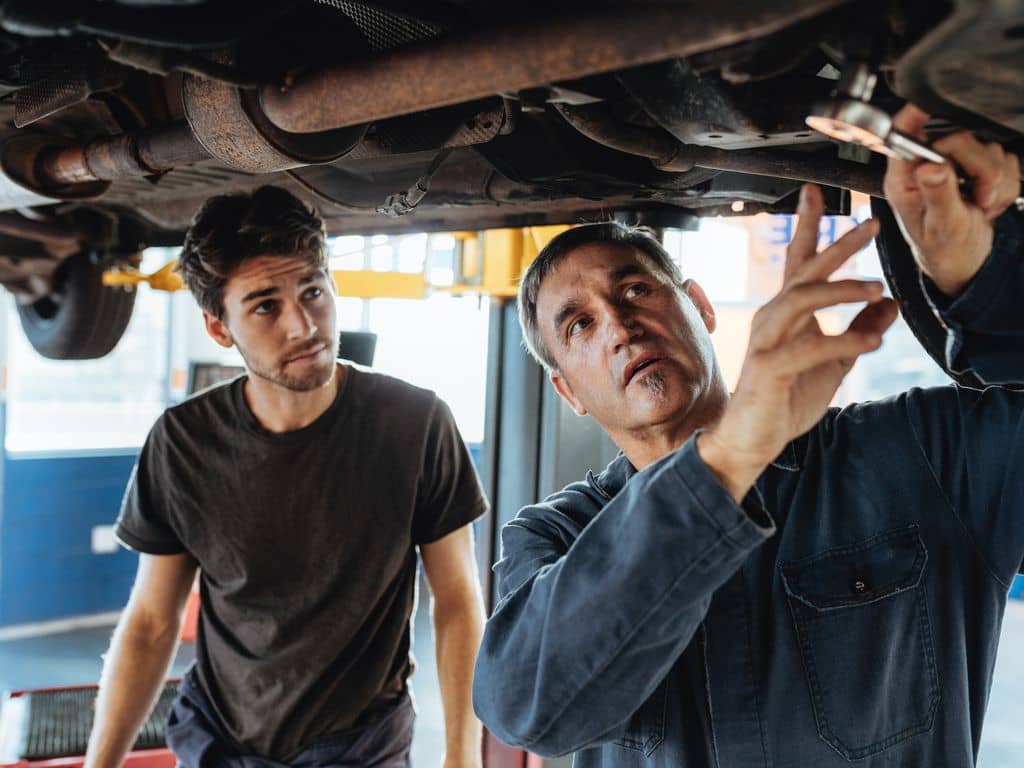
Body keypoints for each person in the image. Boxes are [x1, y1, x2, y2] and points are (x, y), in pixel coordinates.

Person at [472, 104, 1024, 766]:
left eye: (637, 290)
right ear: (569, 393)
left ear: (701, 307)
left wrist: (984, 283)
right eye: (580, 326)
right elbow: (530, 709)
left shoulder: (915, 456)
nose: (619, 326)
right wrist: (728, 458)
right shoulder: (552, 538)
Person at [86, 186, 489, 768]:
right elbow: (151, 621)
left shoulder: (417, 423)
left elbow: (456, 601)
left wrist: (462, 757)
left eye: (313, 291)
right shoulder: (183, 442)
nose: (303, 325)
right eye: (265, 306)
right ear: (219, 328)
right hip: (220, 745)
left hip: (359, 750)